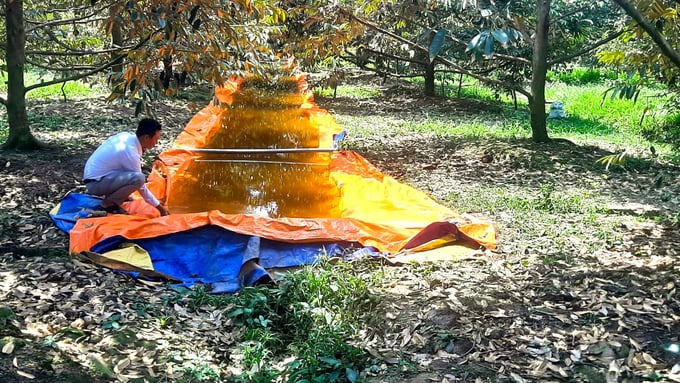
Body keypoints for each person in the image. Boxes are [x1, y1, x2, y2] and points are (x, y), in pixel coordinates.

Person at [83, 118, 170, 216]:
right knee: (138, 178)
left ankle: (114, 197)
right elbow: (140, 185)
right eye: (156, 139)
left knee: (135, 178)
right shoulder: (130, 152)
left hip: (96, 178)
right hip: (96, 184)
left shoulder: (126, 136)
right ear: (146, 137)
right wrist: (160, 208)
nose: (156, 143)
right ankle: (108, 204)